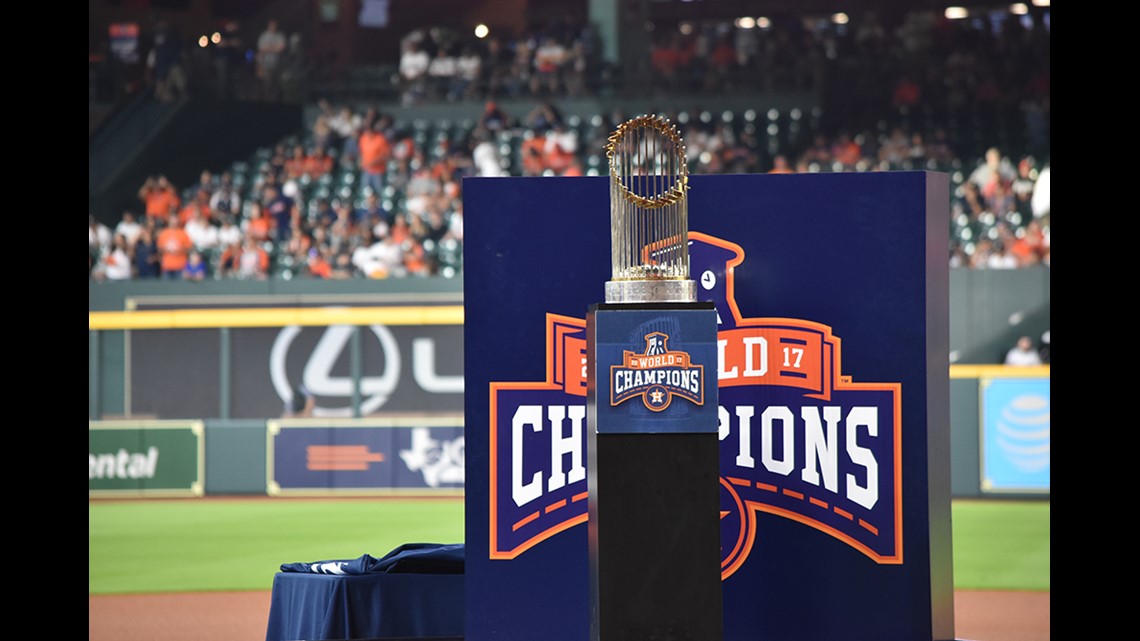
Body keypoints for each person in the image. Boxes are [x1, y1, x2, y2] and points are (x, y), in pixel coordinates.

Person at [256, 19, 288, 100]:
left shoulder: (280, 35)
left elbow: (281, 48)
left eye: (274, 25)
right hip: (266, 64)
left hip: (278, 64)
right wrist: (274, 48)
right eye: (271, 25)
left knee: (277, 85)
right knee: (267, 84)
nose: (273, 27)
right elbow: (261, 49)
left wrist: (268, 48)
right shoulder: (264, 36)